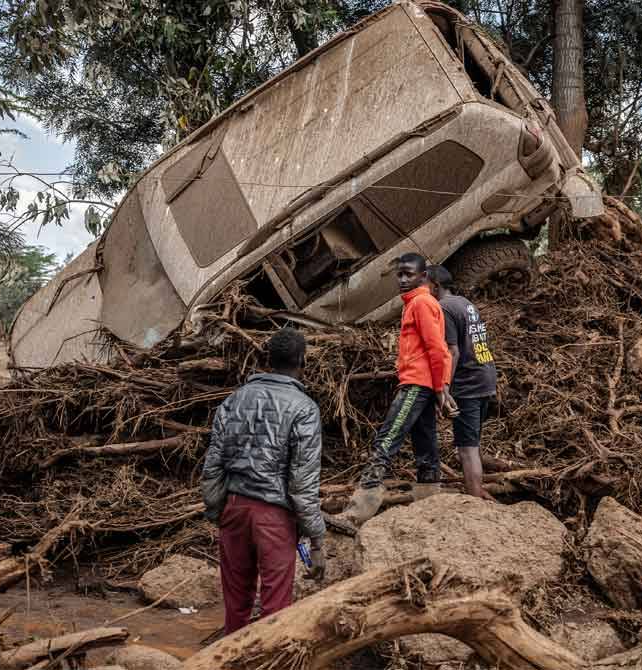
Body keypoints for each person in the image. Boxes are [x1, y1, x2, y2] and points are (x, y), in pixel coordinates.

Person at [201, 327, 326, 635]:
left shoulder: (235, 400)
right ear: (302, 361)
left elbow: (213, 463)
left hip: (234, 508)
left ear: (268, 359)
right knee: (275, 610)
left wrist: (217, 511)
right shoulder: (304, 409)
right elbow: (302, 482)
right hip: (275, 517)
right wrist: (317, 538)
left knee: (236, 605)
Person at [343, 253, 453, 526]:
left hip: (418, 384)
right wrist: (439, 387)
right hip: (423, 383)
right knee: (425, 442)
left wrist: (441, 388)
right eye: (400, 274)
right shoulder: (417, 303)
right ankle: (430, 499)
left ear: (423, 276)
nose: (403, 279)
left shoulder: (421, 303)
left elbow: (438, 349)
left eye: (409, 274)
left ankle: (358, 510)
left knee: (387, 439)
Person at [426, 265, 498, 499]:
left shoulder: (443, 307)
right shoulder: (465, 303)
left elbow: (452, 351)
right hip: (485, 376)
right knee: (472, 443)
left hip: (469, 384)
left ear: (435, 286)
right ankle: (478, 490)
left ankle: (475, 497)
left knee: (467, 449)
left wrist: (443, 389)